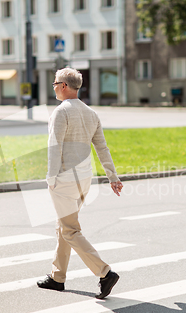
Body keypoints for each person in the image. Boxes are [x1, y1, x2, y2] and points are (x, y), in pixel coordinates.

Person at [37, 68, 123, 299]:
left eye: (55, 83)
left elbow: (55, 147)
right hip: (84, 180)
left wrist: (51, 178)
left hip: (64, 179)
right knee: (64, 226)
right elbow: (102, 148)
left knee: (70, 229)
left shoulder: (61, 112)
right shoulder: (91, 113)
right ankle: (57, 277)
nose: (53, 86)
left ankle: (104, 273)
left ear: (64, 85)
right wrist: (112, 177)